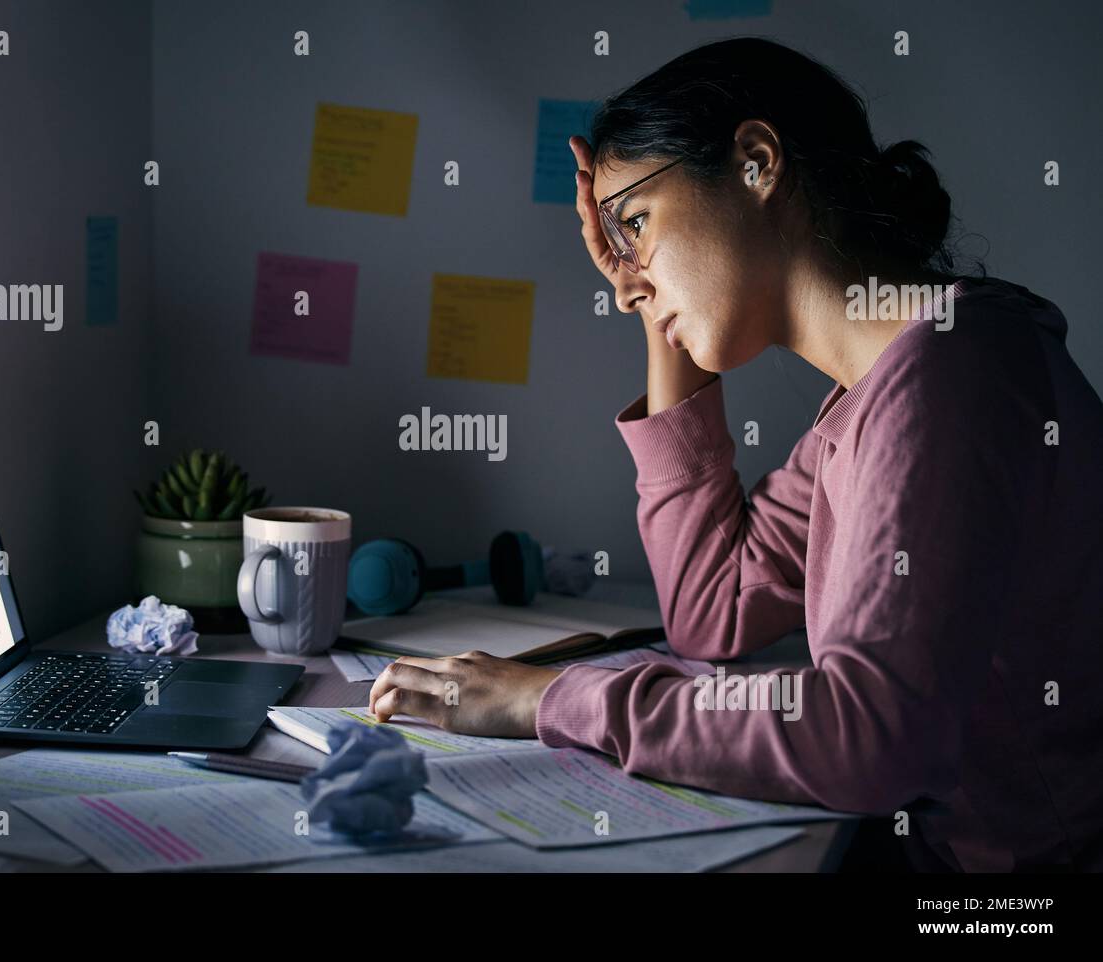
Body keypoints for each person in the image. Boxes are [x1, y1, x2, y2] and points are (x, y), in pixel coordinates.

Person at [368, 37, 1103, 872]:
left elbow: (869, 740)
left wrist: (547, 696)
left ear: (756, 163)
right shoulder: (876, 402)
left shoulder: (955, 376)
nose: (622, 281)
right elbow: (712, 610)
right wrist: (656, 300)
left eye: (636, 225)